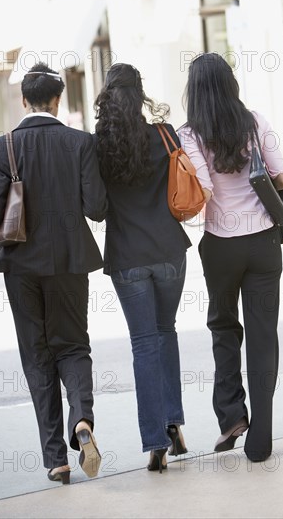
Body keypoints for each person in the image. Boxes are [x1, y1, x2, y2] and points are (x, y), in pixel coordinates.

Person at [0, 63, 107, 483]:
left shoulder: (2, 148)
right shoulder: (80, 142)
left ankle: (56, 458)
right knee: (72, 346)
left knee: (37, 355)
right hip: (71, 262)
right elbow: (97, 209)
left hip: (20, 266)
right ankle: (82, 419)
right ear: (59, 100)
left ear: (23, 101)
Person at [178, 53, 283, 463]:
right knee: (264, 338)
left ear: (195, 90)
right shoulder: (255, 120)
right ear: (230, 84)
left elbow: (202, 191)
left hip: (221, 245)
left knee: (224, 327)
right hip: (264, 242)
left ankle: (231, 416)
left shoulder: (188, 134)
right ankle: (260, 439)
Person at [94, 63, 192, 473]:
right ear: (140, 95)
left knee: (144, 343)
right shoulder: (165, 134)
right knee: (165, 332)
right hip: (170, 251)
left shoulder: (96, 146)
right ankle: (174, 423)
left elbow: (96, 209)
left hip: (128, 258)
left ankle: (155, 440)